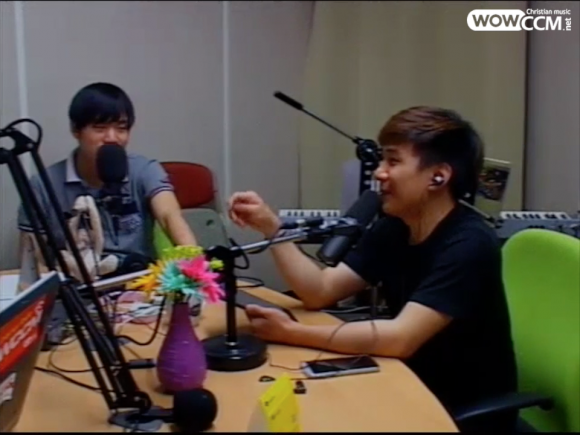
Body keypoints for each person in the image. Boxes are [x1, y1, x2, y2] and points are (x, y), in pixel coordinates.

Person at [228, 106, 518, 432]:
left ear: (438, 176)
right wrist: (272, 228)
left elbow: (401, 338)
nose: (379, 173)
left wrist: (291, 333)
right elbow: (321, 290)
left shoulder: (470, 243)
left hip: (458, 409)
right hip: (406, 379)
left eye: (393, 161)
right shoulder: (394, 226)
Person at [17, 82, 197, 275]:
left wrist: (196, 267)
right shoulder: (42, 185)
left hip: (139, 280)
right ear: (76, 130)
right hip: (77, 283)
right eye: (100, 128)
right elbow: (33, 259)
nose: (112, 138)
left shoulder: (144, 170)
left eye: (121, 128)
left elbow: (170, 216)